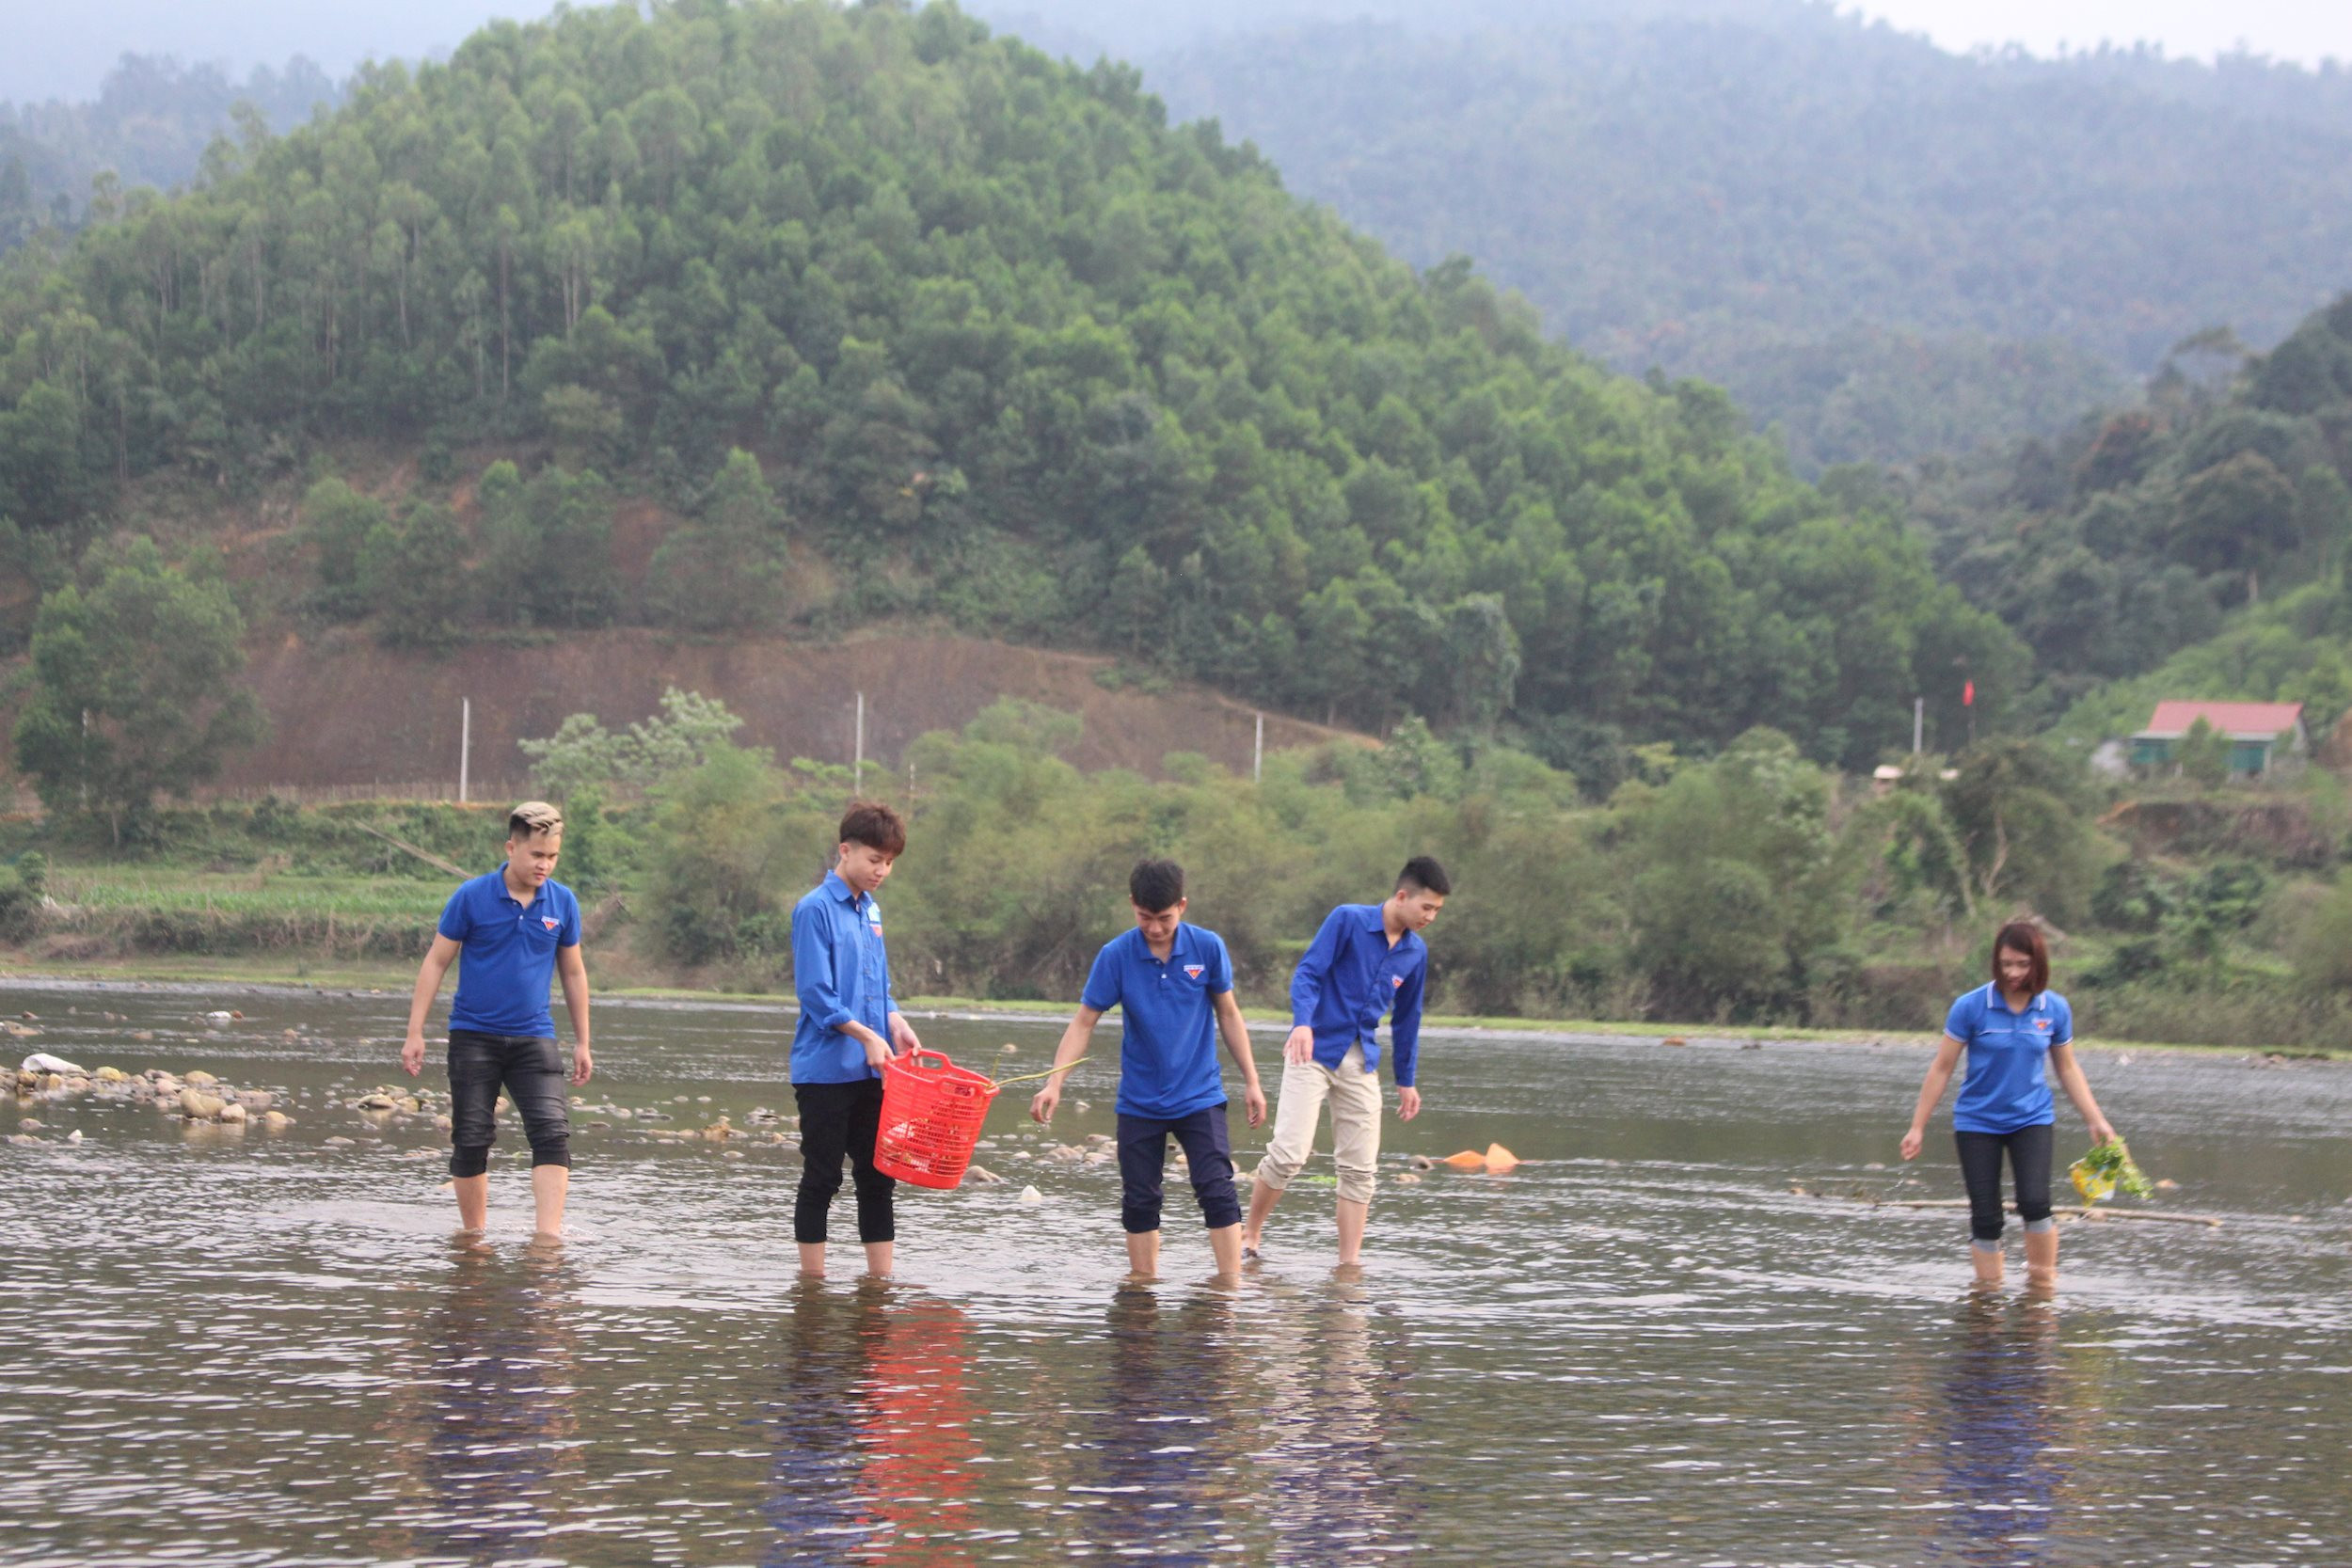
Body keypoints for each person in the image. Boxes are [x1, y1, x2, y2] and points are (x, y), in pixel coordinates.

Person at [1030, 859, 1267, 1279]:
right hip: (1140, 1100)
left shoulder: (1207, 947)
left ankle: (1229, 1289)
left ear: (1182, 906)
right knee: (1140, 1198)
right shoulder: (1116, 955)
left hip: (1200, 1095)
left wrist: (1252, 1081)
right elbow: (1084, 1021)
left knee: (1216, 1188)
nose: (1155, 928)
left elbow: (1229, 1016)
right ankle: (1143, 1290)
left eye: (1164, 919)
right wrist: (1055, 1084)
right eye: (1145, 918)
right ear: (1132, 907)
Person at [1242, 857, 1450, 1268]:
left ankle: (1348, 1265)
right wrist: (1301, 1024)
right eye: (1427, 907)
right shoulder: (1348, 920)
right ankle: (1249, 1234)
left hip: (1361, 1059)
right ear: (1402, 896)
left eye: (1437, 911)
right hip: (1312, 1049)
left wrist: (1405, 1080)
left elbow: (1408, 1020)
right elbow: (1308, 974)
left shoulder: (1415, 953)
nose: (1431, 917)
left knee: (1360, 1170)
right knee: (1289, 1154)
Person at [402, 800, 593, 1239]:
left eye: (553, 857)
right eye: (537, 855)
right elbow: (436, 962)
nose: (545, 865)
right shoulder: (471, 896)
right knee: (471, 1136)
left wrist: (583, 1041)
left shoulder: (562, 902)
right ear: (511, 848)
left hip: (535, 1038)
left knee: (551, 1133)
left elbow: (573, 972)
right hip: (473, 1036)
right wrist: (415, 1032)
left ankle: (547, 1239)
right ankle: (474, 1238)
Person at [1900, 921, 2119, 1292]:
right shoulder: (1971, 1007)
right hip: (1977, 1122)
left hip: (2031, 1118)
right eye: (2005, 964)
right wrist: (1917, 1125)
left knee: (2035, 1202)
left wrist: (2095, 1120)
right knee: (1986, 1217)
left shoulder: (2055, 1008)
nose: (2013, 973)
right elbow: (1942, 1067)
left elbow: (2067, 1067)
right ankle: (1987, 1296)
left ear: (2039, 963)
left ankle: (2042, 1288)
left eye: (2022, 964)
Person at [789, 800, 922, 1278]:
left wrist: (895, 1022)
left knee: (878, 1176)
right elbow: (816, 993)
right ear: (845, 851)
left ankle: (880, 1283)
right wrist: (864, 1033)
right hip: (825, 1070)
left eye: (889, 862)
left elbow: (877, 986)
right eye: (874, 860)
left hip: (874, 1068)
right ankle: (811, 1285)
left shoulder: (872, 912)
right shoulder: (814, 910)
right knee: (822, 1177)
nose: (881, 870)